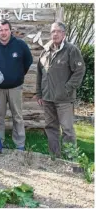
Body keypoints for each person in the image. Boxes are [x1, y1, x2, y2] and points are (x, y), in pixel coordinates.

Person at [36, 22, 85, 158]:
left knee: (67, 130)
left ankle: (71, 158)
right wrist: (39, 94)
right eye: (53, 31)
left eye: (58, 31)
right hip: (47, 98)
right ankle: (55, 157)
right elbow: (40, 74)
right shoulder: (45, 52)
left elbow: (80, 71)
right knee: (51, 128)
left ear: (64, 34)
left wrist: (67, 88)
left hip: (64, 99)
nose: (55, 34)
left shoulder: (71, 50)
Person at [0, 19, 33, 150]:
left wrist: (18, 76)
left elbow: (28, 61)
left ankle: (19, 144)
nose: (4, 32)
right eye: (1, 30)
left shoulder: (20, 44)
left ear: (10, 30)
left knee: (17, 116)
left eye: (6, 29)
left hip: (15, 88)